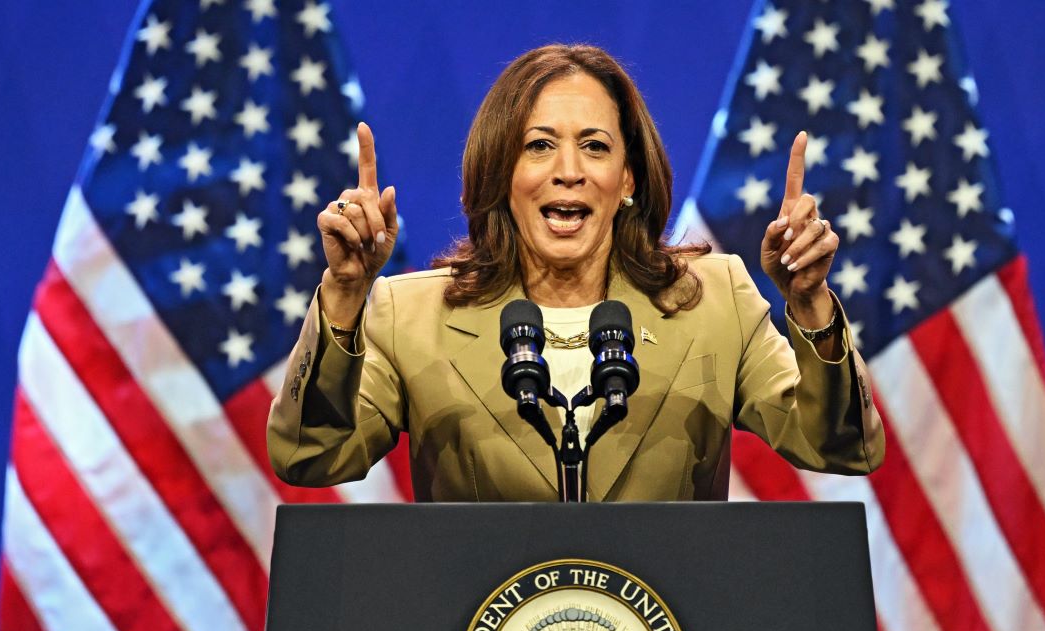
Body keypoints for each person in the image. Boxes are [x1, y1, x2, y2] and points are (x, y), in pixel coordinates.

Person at [266, 44, 884, 501]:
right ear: (501, 175)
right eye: (538, 146)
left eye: (595, 146)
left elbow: (841, 445)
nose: (569, 170)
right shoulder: (414, 316)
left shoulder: (713, 302)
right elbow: (310, 455)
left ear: (628, 181)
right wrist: (345, 294)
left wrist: (809, 304)